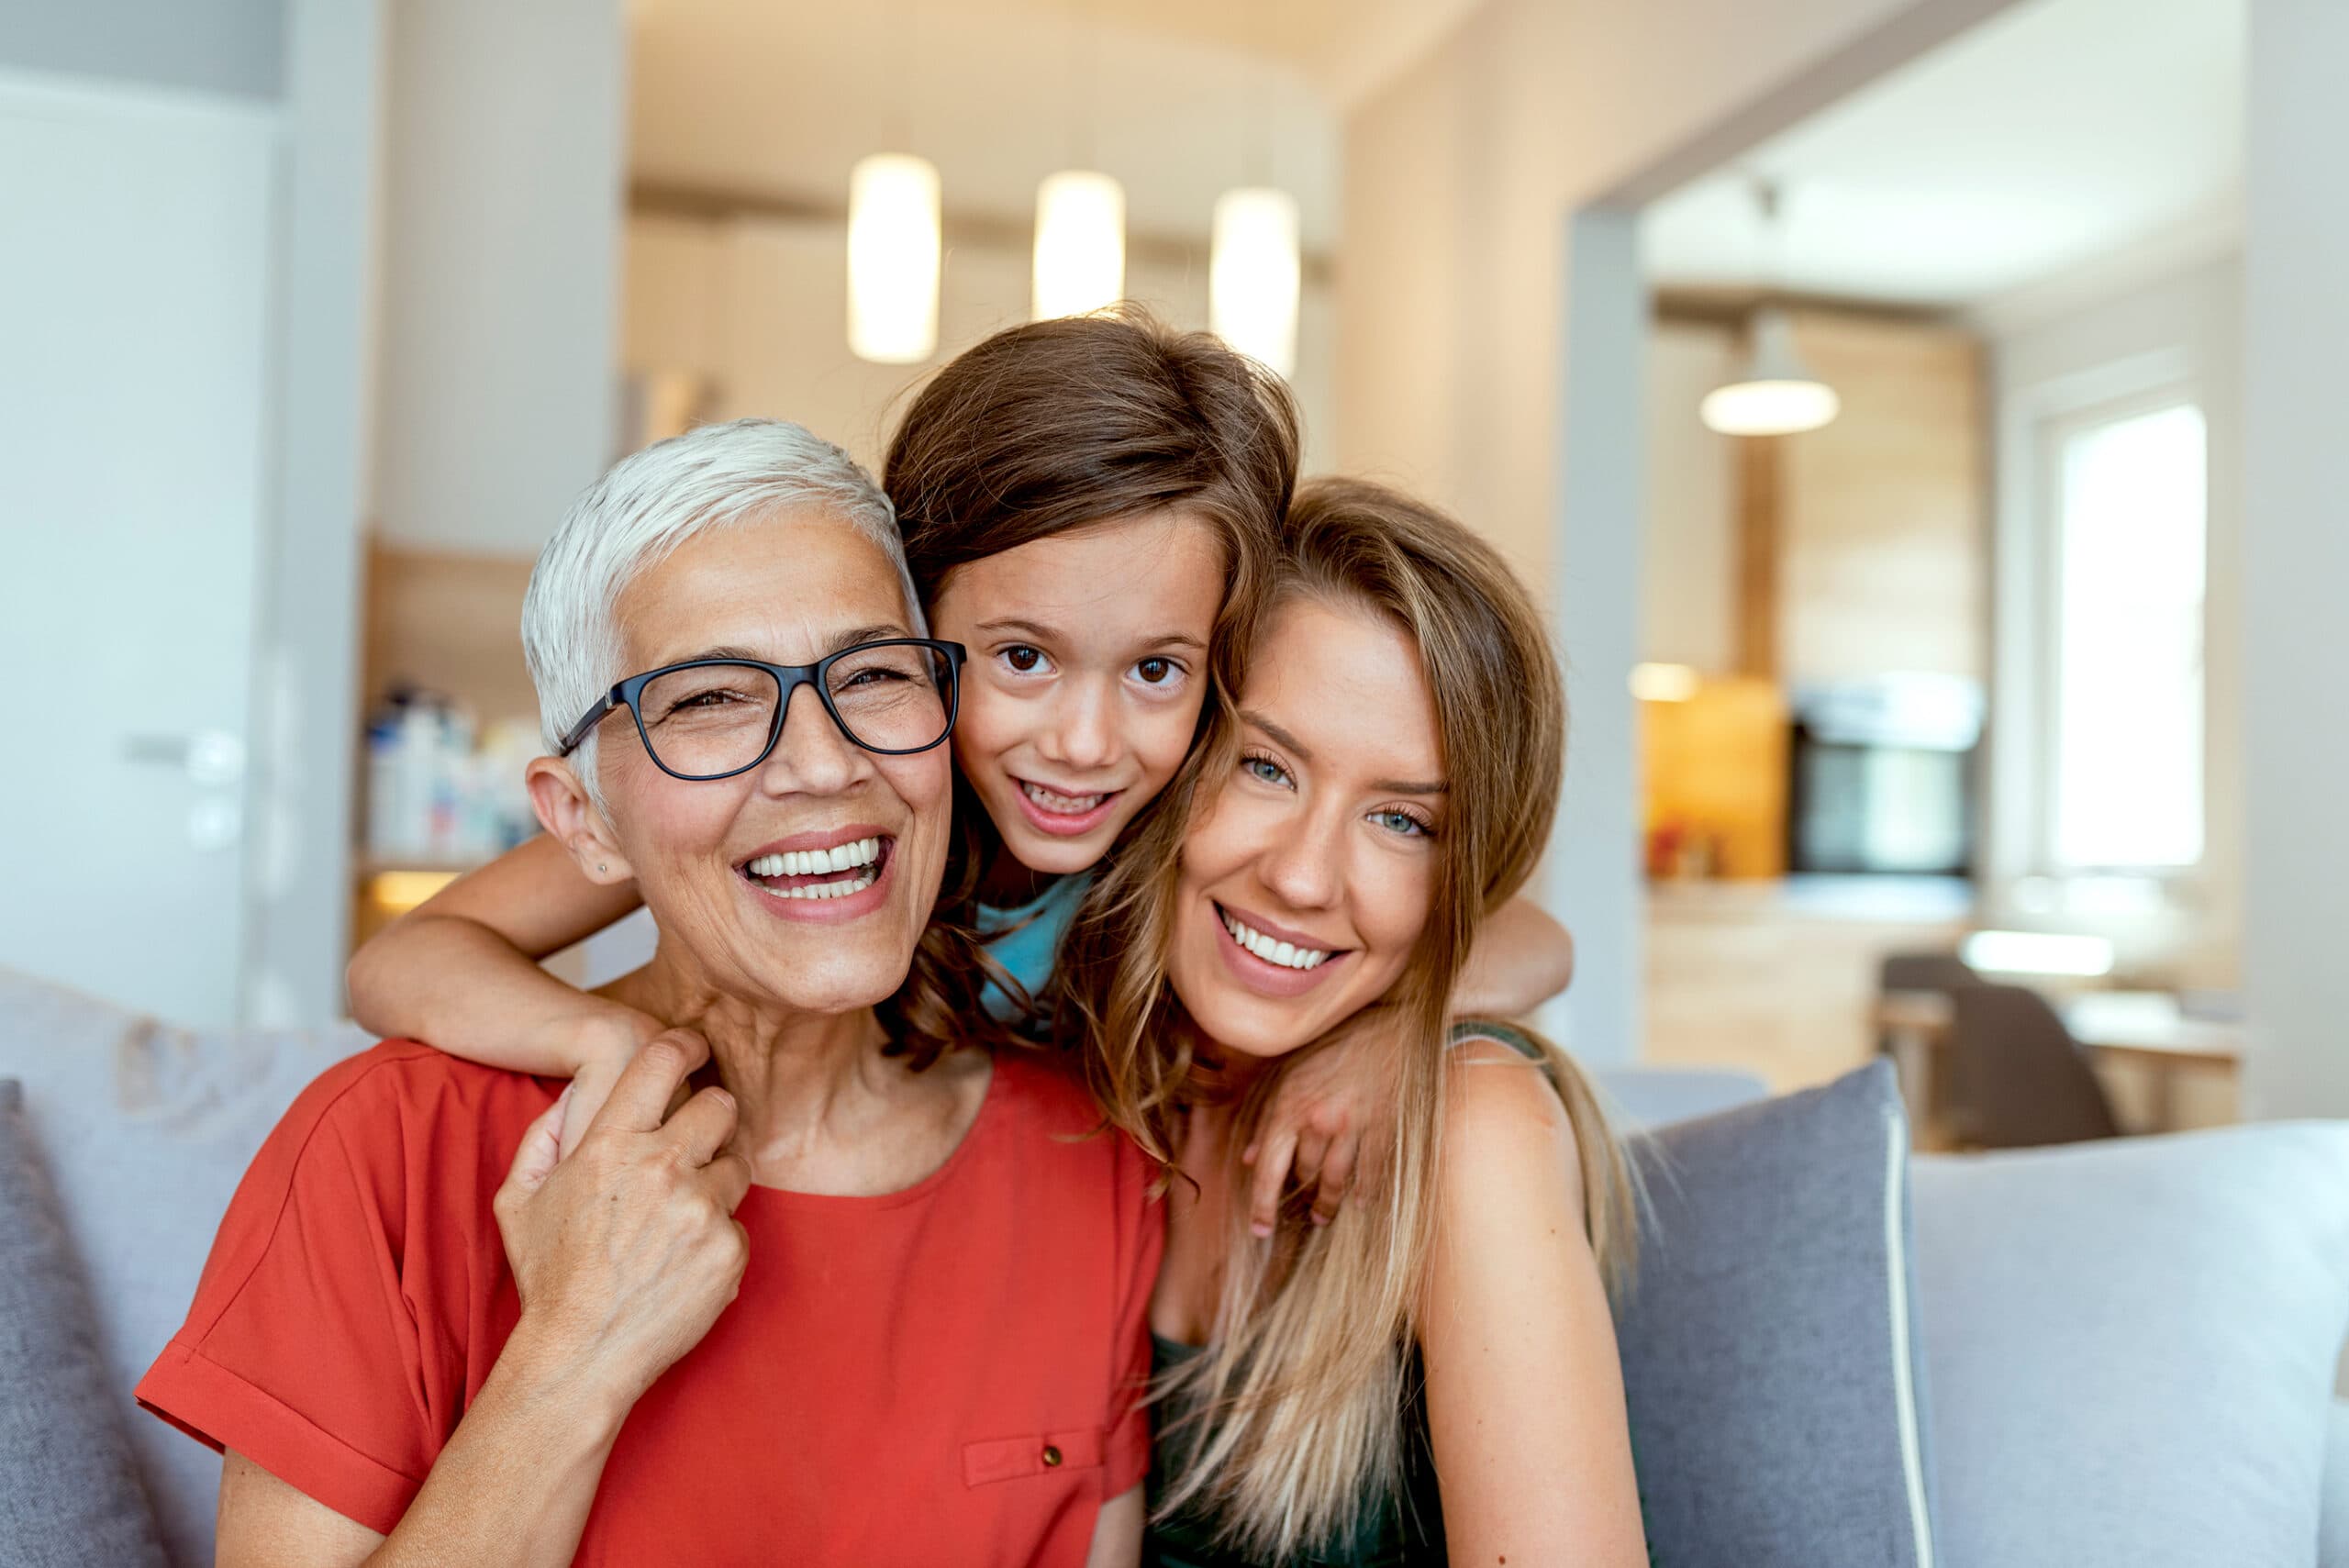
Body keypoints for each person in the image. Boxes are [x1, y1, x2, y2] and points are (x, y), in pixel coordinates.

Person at [138, 421, 1161, 1565]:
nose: (824, 764)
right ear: (582, 817)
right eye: (710, 700)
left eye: (873, 675)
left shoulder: (1091, 1168)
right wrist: (578, 1348)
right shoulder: (387, 1148)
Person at [346, 311, 1576, 1227]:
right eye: (1023, 658)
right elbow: (406, 958)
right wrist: (615, 1050)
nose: (1087, 744)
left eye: (1155, 671)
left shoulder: (1192, 828)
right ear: (907, 631)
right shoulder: (829, 806)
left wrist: (1384, 1036)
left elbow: (1532, 942)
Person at [1056, 478, 1649, 1566]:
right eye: (1265, 765)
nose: (1302, 874)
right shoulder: (1104, 1076)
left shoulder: (1471, 1127)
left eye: (1400, 818)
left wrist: (1418, 1027)